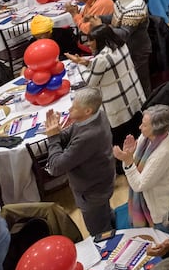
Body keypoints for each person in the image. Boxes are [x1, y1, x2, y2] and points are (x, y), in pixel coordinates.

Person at [42, 87, 115, 236]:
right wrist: (55, 132)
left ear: (88, 110)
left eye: (74, 107)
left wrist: (52, 137)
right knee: (105, 217)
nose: (70, 109)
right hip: (100, 184)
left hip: (92, 192)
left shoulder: (89, 136)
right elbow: (68, 136)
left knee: (100, 233)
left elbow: (56, 167)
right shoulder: (97, 115)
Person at [115, 105, 169, 229]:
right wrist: (128, 155)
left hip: (163, 206)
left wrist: (127, 161)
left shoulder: (163, 152)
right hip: (150, 199)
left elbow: (139, 185)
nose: (140, 127)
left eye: (144, 125)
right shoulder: (147, 137)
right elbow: (132, 161)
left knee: (168, 241)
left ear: (156, 129)